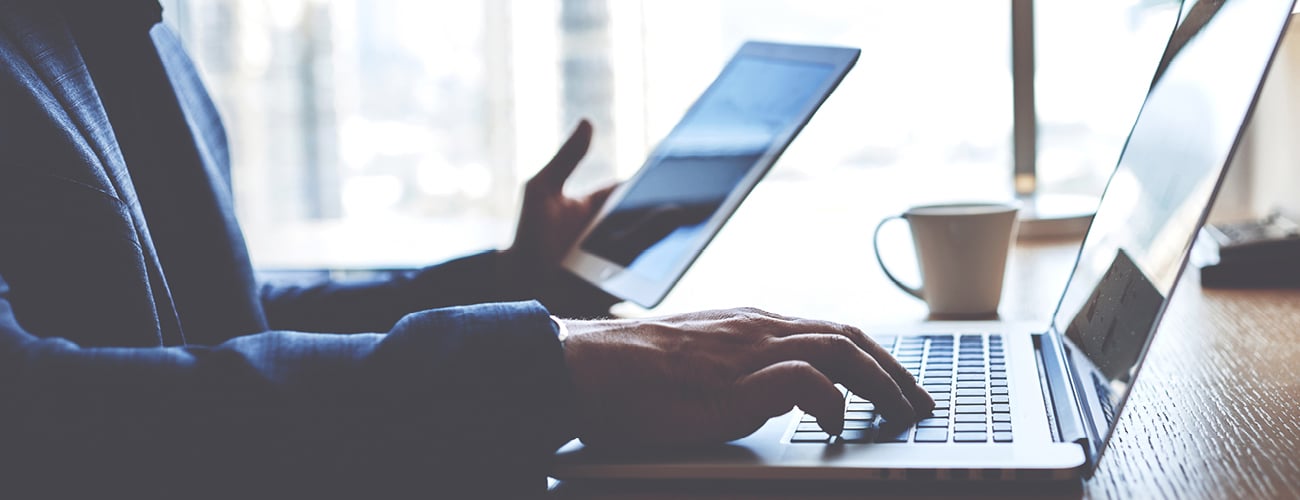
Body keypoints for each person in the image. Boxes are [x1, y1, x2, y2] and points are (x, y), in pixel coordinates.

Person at [0, 0, 933, 497]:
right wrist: (544, 365)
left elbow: (217, 317)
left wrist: (517, 283)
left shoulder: (135, 37)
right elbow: (31, 415)